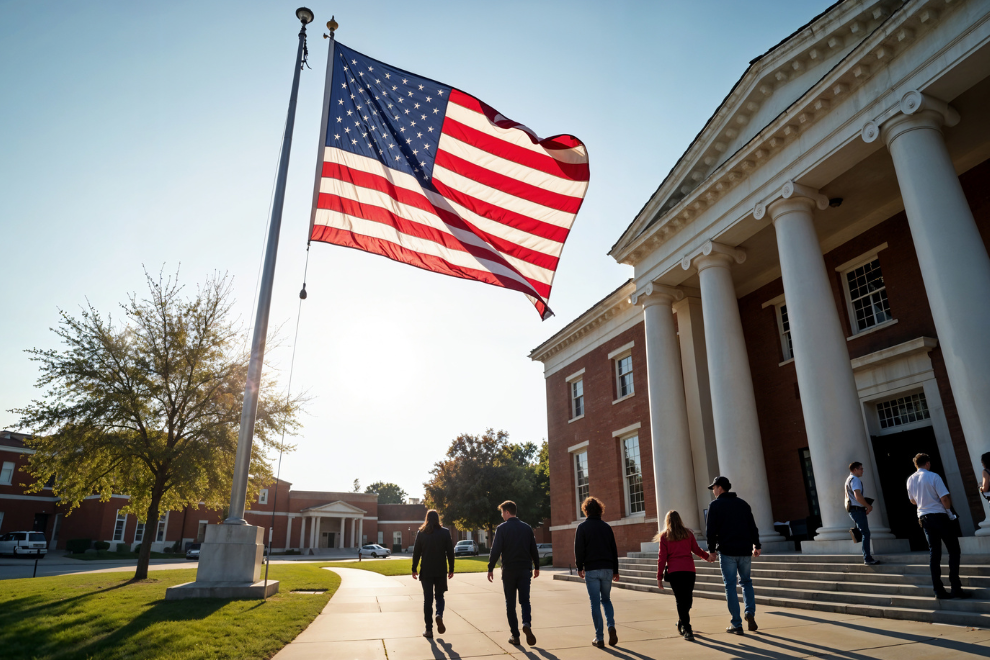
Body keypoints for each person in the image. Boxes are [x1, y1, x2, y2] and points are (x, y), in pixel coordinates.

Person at [906, 453, 970, 600]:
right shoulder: (933, 476)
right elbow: (945, 498)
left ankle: (938, 590)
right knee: (954, 550)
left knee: (934, 554)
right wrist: (949, 513)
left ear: (916, 464)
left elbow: (913, 501)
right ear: (927, 463)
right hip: (939, 516)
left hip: (924, 517)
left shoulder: (910, 479)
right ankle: (955, 587)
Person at [705, 476, 761, 635]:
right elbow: (752, 527)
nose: (713, 491)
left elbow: (711, 532)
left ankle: (736, 623)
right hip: (744, 550)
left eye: (714, 488)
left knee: (730, 585)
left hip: (727, 551)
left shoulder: (715, 506)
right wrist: (757, 545)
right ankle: (749, 612)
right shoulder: (743, 504)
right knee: (746, 582)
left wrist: (712, 551)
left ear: (720, 487)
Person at [487, 500, 541, 646]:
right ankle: (526, 623)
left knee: (510, 604)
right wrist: (537, 566)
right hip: (525, 570)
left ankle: (515, 636)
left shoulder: (502, 529)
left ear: (507, 512)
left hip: (509, 571)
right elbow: (533, 549)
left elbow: (496, 549)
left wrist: (490, 568)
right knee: (525, 601)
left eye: (502, 513)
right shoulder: (527, 528)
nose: (502, 516)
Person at [655, 510, 712, 642]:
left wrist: (659, 577)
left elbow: (661, 558)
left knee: (683, 601)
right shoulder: (688, 533)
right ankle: (687, 628)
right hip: (688, 571)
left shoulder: (665, 536)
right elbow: (697, 550)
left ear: (667, 521)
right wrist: (707, 557)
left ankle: (682, 621)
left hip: (676, 572)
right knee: (686, 600)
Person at [574, 496, 620, 648]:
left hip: (592, 569)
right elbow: (614, 549)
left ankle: (599, 638)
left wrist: (579, 567)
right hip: (607, 568)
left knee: (594, 602)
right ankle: (611, 625)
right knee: (606, 600)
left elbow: (579, 549)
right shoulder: (606, 527)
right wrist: (616, 570)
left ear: (586, 510)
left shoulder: (582, 527)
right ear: (600, 510)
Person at [411, 509, 455, 638]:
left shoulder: (421, 533)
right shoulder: (445, 533)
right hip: (440, 570)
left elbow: (416, 552)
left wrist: (414, 568)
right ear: (438, 519)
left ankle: (428, 630)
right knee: (440, 596)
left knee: (427, 600)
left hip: (426, 571)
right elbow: (450, 552)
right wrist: (451, 568)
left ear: (427, 519)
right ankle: (439, 614)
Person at [846, 462, 881, 565]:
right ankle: (867, 558)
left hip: (854, 509)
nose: (862, 470)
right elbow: (857, 495)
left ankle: (867, 557)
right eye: (860, 469)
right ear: (855, 470)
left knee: (863, 532)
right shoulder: (855, 480)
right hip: (857, 509)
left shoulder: (849, 479)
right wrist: (868, 506)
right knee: (865, 533)